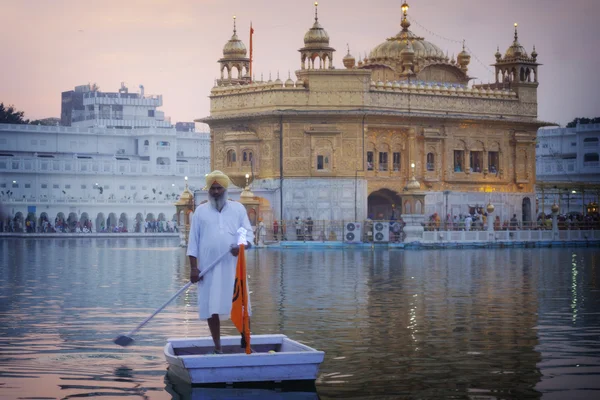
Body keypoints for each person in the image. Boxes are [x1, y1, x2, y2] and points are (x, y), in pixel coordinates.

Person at [187, 170, 254, 354]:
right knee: (211, 307)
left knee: (242, 305)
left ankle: (246, 343)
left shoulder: (238, 209)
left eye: (219, 188)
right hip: (208, 268)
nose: (216, 191)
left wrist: (240, 245)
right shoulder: (200, 212)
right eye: (213, 188)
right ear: (209, 190)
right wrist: (194, 268)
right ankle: (218, 347)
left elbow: (246, 233)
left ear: (225, 189)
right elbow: (193, 242)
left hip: (233, 268)